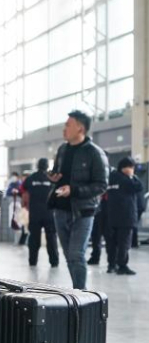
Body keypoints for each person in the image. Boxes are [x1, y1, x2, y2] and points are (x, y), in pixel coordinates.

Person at [48, 110, 108, 290]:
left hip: (83, 211)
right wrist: (54, 177)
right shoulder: (63, 149)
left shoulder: (95, 153)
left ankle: (81, 296)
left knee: (76, 254)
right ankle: (77, 291)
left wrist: (74, 190)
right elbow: (60, 172)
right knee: (69, 255)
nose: (64, 129)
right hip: (60, 209)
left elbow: (101, 185)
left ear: (80, 128)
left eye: (68, 125)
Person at [105, 157, 143, 276]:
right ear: (126, 168)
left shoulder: (111, 178)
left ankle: (111, 265)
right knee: (124, 243)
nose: (133, 170)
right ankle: (122, 266)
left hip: (111, 216)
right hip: (126, 217)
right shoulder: (126, 179)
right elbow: (139, 187)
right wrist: (132, 176)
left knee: (112, 242)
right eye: (131, 168)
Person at [22, 158, 59, 268]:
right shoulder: (51, 178)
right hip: (49, 213)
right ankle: (54, 261)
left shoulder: (30, 178)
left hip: (34, 213)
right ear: (47, 166)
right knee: (51, 238)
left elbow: (23, 190)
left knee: (34, 238)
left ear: (38, 165)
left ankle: (32, 261)